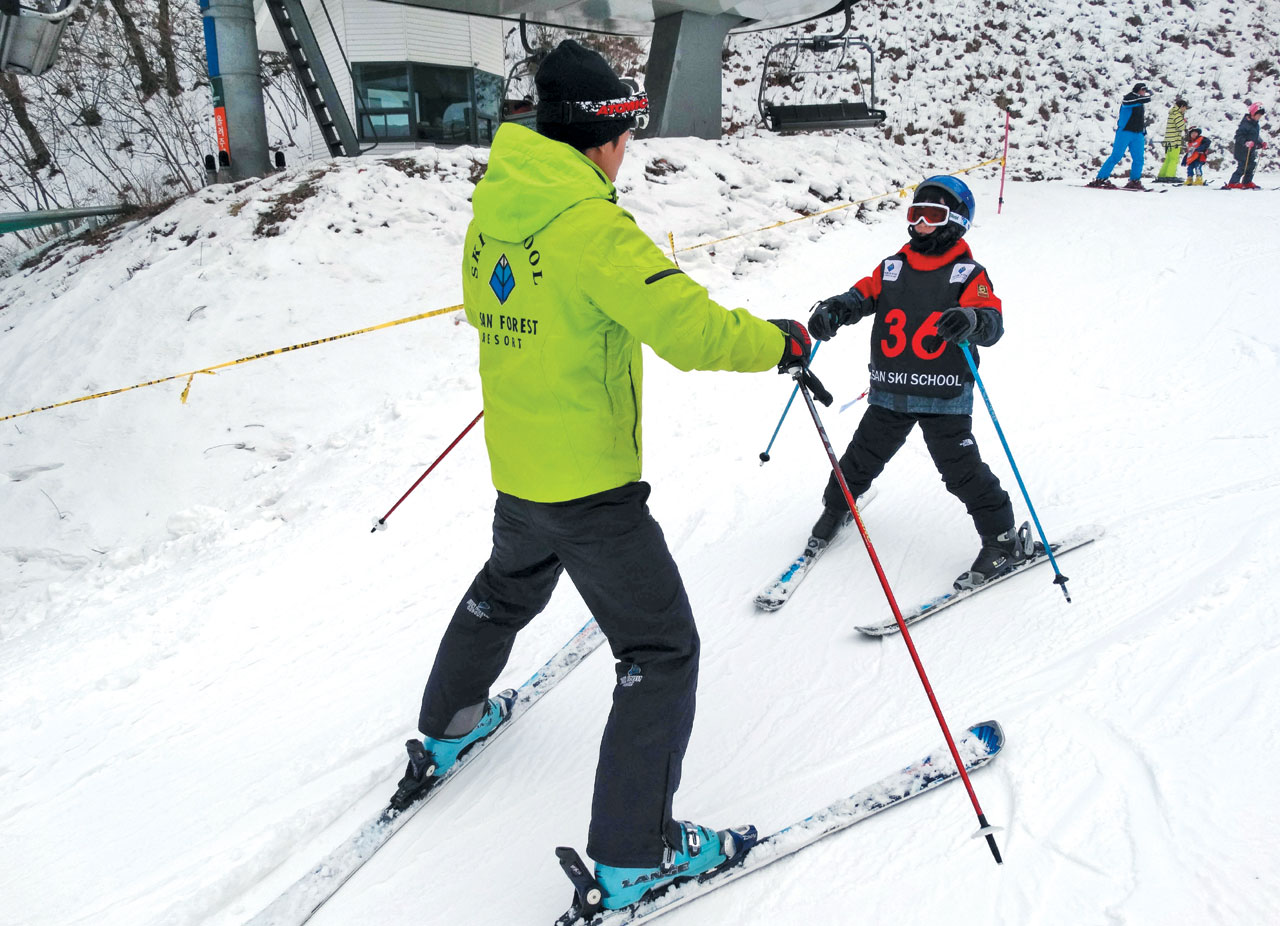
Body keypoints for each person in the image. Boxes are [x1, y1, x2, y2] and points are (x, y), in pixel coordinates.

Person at [389, 39, 817, 912]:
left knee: (506, 591)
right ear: (603, 136)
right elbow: (690, 331)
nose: (628, 153)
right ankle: (635, 853)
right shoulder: (590, 225)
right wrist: (780, 341)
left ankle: (448, 727)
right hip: (590, 486)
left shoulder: (497, 210)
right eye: (627, 133)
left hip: (521, 468)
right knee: (660, 651)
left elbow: (488, 309)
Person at [805, 176, 1032, 590]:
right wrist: (835, 310)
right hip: (891, 388)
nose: (922, 223)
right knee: (861, 458)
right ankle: (837, 507)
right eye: (916, 214)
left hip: (944, 393)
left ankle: (1001, 538)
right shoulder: (893, 267)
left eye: (934, 215)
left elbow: (992, 322)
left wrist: (973, 319)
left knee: (960, 471)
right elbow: (861, 297)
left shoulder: (968, 273)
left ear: (957, 222)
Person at [1088, 82, 1154, 190]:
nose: (1144, 93)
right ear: (1139, 90)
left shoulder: (1140, 101)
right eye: (1143, 90)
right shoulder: (1129, 98)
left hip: (1138, 134)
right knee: (1116, 156)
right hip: (1125, 132)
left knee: (1139, 159)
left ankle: (1135, 180)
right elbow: (1134, 102)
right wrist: (1148, 96)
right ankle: (1101, 178)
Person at [1225, 102, 1269, 190]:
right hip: (1241, 150)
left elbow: (1255, 136)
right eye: (1258, 115)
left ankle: (1247, 181)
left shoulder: (1255, 125)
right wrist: (1246, 142)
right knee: (1243, 166)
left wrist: (1261, 143)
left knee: (1251, 165)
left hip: (1251, 150)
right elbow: (1238, 136)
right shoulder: (1245, 125)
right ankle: (1233, 182)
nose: (1259, 117)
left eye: (1260, 116)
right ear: (1253, 113)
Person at [1156, 97, 1190, 183]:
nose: (1185, 110)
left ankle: (1162, 175)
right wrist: (1184, 121)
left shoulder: (1172, 113)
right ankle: (1170, 175)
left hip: (1168, 140)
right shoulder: (1177, 114)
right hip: (1174, 141)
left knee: (1168, 159)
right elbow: (1181, 127)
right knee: (1174, 159)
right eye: (1185, 108)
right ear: (1182, 106)